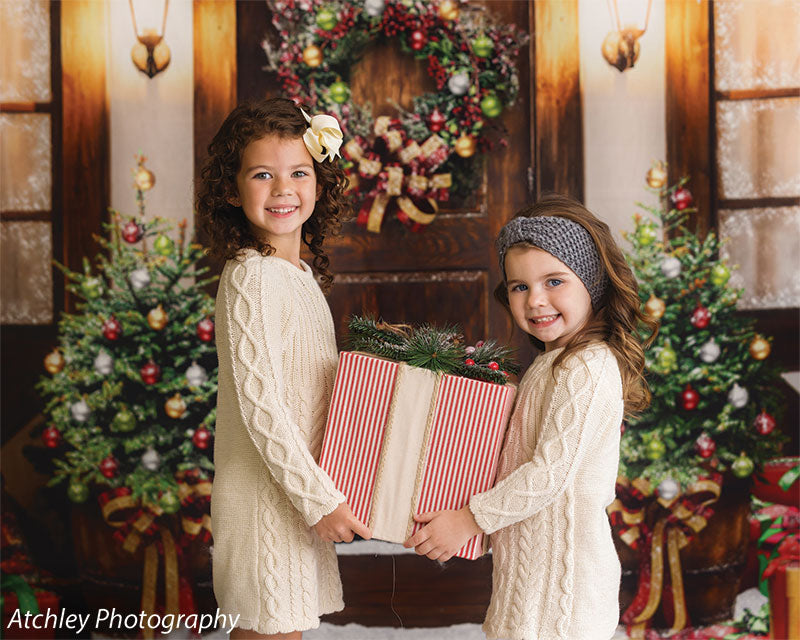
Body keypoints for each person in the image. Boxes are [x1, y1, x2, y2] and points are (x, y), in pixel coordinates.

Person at [404, 194, 657, 640]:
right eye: (520, 286)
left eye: (554, 281)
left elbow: (547, 475)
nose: (536, 300)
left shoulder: (587, 366)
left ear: (592, 282)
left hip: (565, 595)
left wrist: (467, 519)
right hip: (527, 579)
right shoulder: (551, 360)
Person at [197, 97, 371, 640]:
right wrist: (319, 499)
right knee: (268, 629)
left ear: (319, 184)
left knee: (284, 629)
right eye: (262, 175)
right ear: (232, 189)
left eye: (299, 172)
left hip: (294, 496)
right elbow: (262, 407)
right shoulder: (253, 277)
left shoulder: (296, 276)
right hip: (265, 503)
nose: (283, 189)